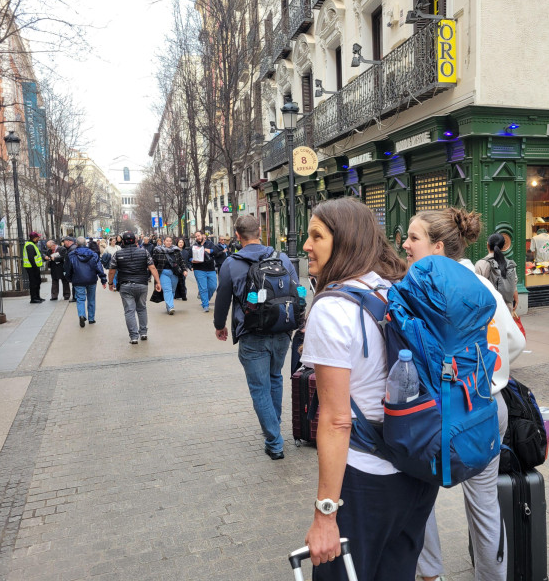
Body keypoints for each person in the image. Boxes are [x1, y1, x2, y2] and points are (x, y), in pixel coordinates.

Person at [300, 198, 438, 579]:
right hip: (416, 471)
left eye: (317, 236)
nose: (306, 246)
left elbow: (336, 420)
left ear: (344, 241)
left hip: (365, 479)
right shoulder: (391, 288)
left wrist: (325, 514)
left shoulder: (331, 308)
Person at [403, 208, 526, 581]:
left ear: (438, 247)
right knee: (486, 506)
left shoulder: (421, 289)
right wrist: (488, 372)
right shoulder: (482, 283)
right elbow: (516, 341)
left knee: (420, 501)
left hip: (440, 411)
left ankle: (431, 576)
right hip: (489, 406)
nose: (404, 244)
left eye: (413, 238)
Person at [213, 215, 298, 460]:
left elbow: (223, 298)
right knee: (275, 378)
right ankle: (274, 425)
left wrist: (220, 325)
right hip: (282, 331)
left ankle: (274, 441)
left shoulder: (231, 263)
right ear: (260, 230)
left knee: (259, 387)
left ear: (237, 236)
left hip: (252, 334)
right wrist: (299, 321)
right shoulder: (281, 257)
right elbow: (298, 290)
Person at [108, 231, 162, 344]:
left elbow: (112, 270)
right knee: (142, 308)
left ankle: (133, 336)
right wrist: (158, 282)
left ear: (122, 241)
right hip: (142, 284)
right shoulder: (144, 252)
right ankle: (143, 332)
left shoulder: (117, 254)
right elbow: (152, 267)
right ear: (136, 241)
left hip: (125, 285)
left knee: (129, 311)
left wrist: (110, 283)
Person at [64, 237, 107, 327]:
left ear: (77, 244)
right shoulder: (93, 254)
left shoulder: (72, 255)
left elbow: (68, 268)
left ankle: (82, 315)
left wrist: (69, 278)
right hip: (91, 279)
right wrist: (103, 279)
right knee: (91, 299)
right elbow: (99, 267)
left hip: (78, 279)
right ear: (86, 244)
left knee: (80, 299)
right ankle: (91, 318)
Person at [475, 232, 519, 312]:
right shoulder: (509, 264)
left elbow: (477, 289)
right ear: (503, 247)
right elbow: (513, 283)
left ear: (487, 245)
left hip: (488, 309)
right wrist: (515, 299)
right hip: (506, 308)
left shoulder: (480, 264)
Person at [152, 236, 187, 315]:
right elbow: (153, 262)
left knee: (172, 290)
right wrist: (153, 272)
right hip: (163, 273)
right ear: (164, 241)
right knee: (168, 290)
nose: (168, 242)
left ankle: (168, 306)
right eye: (167, 241)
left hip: (174, 273)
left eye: (170, 241)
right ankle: (171, 307)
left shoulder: (176, 250)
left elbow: (181, 261)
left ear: (172, 242)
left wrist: (184, 270)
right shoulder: (158, 250)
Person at [192, 230, 217, 312]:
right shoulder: (194, 246)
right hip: (199, 269)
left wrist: (209, 250)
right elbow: (189, 257)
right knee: (203, 288)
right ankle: (205, 305)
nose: (197, 237)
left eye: (198, 235)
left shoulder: (210, 244)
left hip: (211, 269)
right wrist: (192, 260)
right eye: (196, 236)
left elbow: (216, 251)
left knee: (213, 286)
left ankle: (205, 299)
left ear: (203, 235)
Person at [23, 231, 44, 303]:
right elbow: (31, 258)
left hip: (34, 267)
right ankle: (33, 298)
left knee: (37, 282)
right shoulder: (30, 245)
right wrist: (35, 268)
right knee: (33, 283)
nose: (39, 238)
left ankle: (37, 297)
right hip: (31, 268)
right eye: (38, 237)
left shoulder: (32, 244)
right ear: (34, 238)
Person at [61, 236, 78, 302]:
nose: (64, 243)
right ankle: (75, 297)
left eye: (64, 242)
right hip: (74, 269)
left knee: (74, 284)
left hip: (73, 270)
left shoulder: (72, 249)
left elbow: (70, 261)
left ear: (69, 241)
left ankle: (75, 297)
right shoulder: (72, 248)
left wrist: (68, 271)